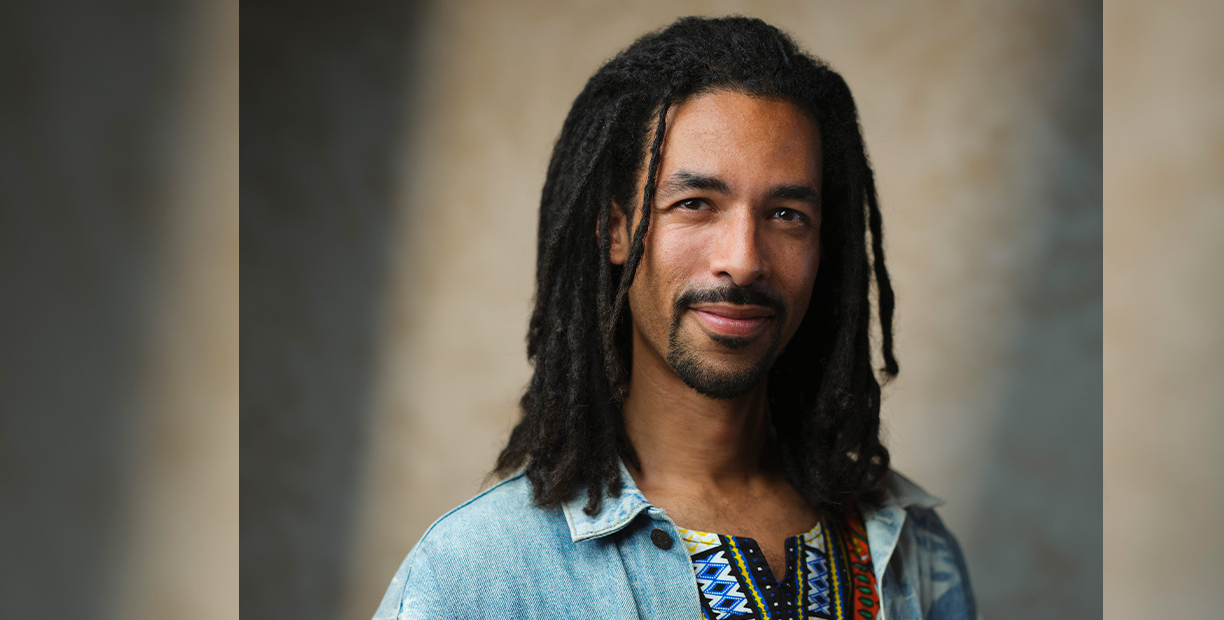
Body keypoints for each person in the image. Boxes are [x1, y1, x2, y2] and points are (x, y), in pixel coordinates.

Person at [374, 16, 975, 620]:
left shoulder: (911, 550)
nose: (742, 261)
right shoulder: (477, 576)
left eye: (787, 214)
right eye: (694, 204)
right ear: (615, 229)